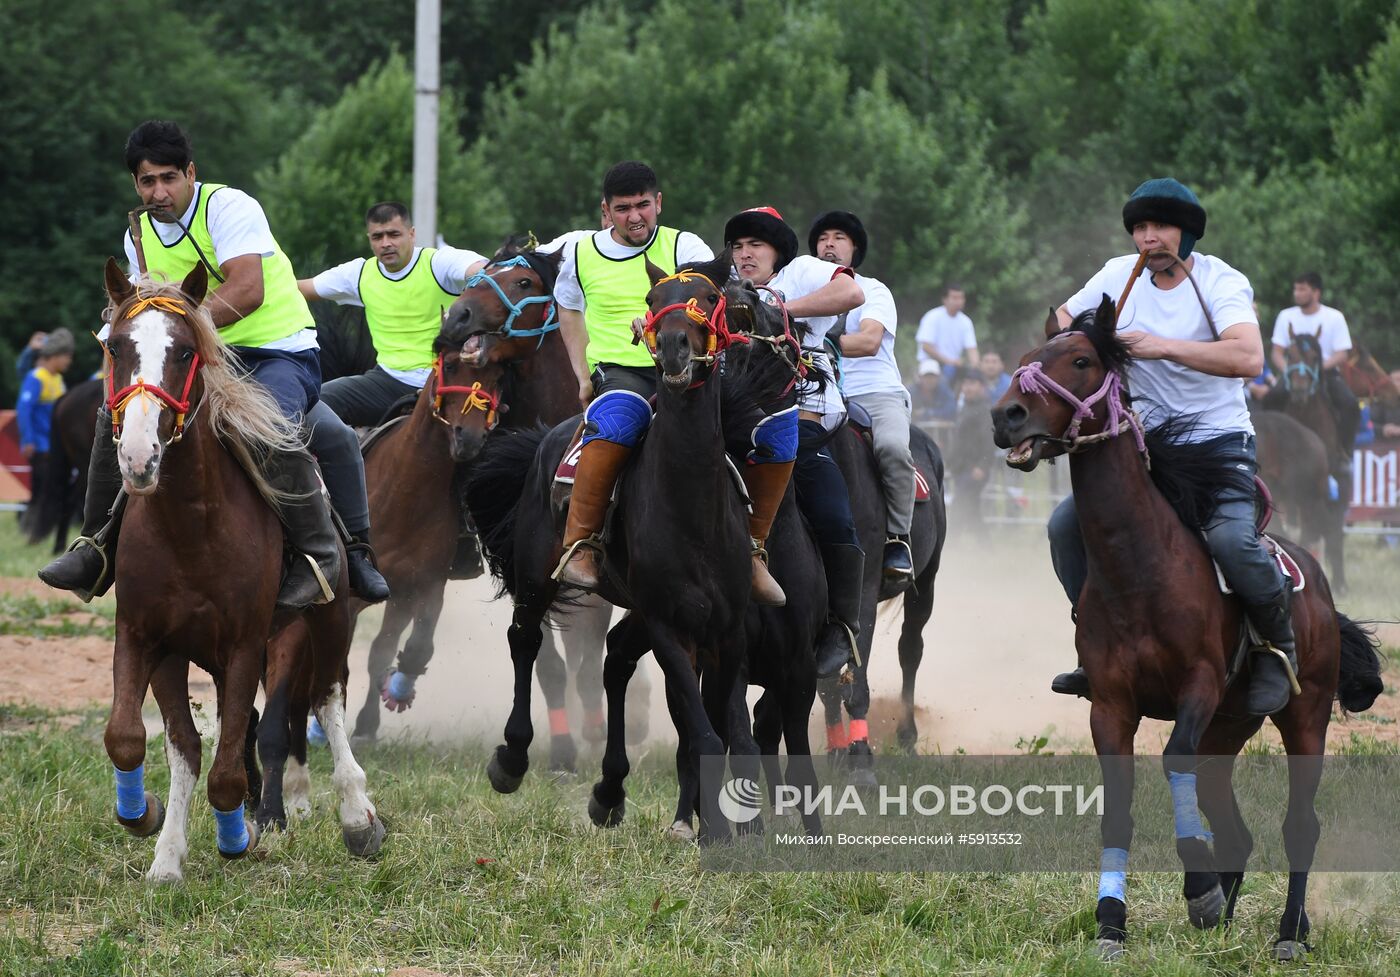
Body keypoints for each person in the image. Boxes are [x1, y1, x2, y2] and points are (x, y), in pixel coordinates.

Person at [39, 120, 387, 606]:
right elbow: (144, 311)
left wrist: (179, 328)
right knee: (116, 417)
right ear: (134, 184)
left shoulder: (229, 206)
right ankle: (95, 545)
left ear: (190, 173)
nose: (158, 192)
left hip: (277, 351)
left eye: (168, 178)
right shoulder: (135, 234)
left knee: (268, 428)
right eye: (146, 181)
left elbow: (248, 287)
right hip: (198, 356)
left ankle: (321, 557)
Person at [1046, 177, 1296, 717]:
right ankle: (1097, 644)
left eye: (1158, 226)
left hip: (1218, 442)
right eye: (1139, 227)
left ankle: (1278, 649)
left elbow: (1249, 358)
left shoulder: (1221, 281)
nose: (1147, 238)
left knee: (1231, 542)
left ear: (1185, 233)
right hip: (1147, 448)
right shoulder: (1117, 275)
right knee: (1064, 528)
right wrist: (1079, 341)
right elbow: (1063, 324)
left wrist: (1161, 348)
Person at [552, 162, 746, 591]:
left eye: (643, 205)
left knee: (759, 428)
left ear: (658, 202)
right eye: (623, 208)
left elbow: (703, 300)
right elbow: (567, 307)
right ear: (606, 210)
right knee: (619, 421)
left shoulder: (684, 245)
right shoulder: (581, 255)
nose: (635, 216)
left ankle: (757, 551)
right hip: (624, 372)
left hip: (694, 371)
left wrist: (658, 323)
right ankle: (580, 544)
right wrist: (582, 375)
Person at [727, 206, 864, 673]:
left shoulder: (803, 271)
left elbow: (851, 291)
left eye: (755, 246)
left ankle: (843, 626)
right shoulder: (724, 282)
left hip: (806, 402)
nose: (745, 254)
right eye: (739, 246)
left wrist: (779, 308)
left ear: (778, 251)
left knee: (828, 504)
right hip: (738, 406)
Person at [298, 201, 487, 425]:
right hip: (388, 382)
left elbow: (487, 270)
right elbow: (302, 289)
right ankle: (341, 460)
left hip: (447, 380)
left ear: (411, 234)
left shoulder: (438, 263)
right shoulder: (360, 274)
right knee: (315, 402)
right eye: (378, 237)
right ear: (369, 239)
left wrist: (467, 309)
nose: (386, 243)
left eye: (394, 234)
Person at [810, 210, 917, 583]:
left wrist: (818, 341)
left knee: (890, 447)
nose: (829, 244)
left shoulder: (873, 290)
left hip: (874, 392)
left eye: (839, 237)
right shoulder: (803, 292)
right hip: (817, 393)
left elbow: (870, 340)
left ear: (854, 248)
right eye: (823, 238)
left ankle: (896, 539)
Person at [1270, 271, 1362, 467]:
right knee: (1271, 397)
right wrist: (1291, 370)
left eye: (1302, 289)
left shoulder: (1334, 317)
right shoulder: (1285, 316)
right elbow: (1277, 352)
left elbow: (1341, 354)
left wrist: (1315, 369)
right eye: (1296, 288)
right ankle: (1265, 448)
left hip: (1326, 373)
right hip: (1292, 373)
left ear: (1316, 292)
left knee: (1349, 404)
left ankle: (1344, 452)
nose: (1297, 293)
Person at [16, 329, 74, 517]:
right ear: (55, 356)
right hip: (39, 446)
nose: (69, 361)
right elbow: (24, 410)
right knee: (40, 489)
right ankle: (29, 524)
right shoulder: (36, 378)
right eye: (66, 356)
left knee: (50, 488)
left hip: (53, 446)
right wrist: (28, 440)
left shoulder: (57, 379)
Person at [916, 285, 977, 383]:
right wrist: (950, 362)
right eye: (954, 298)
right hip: (931, 362)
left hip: (954, 365)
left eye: (961, 298)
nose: (958, 301)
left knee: (975, 377)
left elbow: (972, 349)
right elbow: (926, 347)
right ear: (945, 300)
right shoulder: (932, 316)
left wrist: (975, 368)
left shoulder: (966, 321)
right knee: (948, 372)